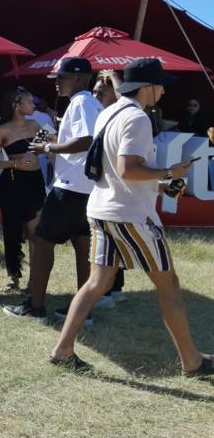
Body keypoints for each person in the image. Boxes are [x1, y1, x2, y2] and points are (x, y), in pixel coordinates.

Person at [49, 58, 212, 378]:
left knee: (97, 282)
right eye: (160, 84)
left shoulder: (109, 112)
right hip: (131, 215)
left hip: (100, 208)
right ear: (146, 87)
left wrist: (162, 183)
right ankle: (192, 362)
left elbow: (112, 168)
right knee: (169, 284)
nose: (164, 90)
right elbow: (127, 169)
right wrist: (169, 171)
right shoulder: (137, 119)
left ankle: (63, 350)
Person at [3, 58, 101, 321]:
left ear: (80, 79)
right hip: (86, 187)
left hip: (70, 187)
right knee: (83, 247)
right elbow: (83, 140)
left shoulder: (81, 101)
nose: (57, 83)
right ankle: (84, 311)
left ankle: (35, 307)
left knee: (41, 241)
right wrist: (56, 142)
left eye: (62, 77)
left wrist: (48, 148)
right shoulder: (89, 102)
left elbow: (88, 140)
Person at [0, 88, 46, 291]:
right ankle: (14, 278)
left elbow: (50, 142)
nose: (34, 105)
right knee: (12, 231)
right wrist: (14, 164)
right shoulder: (3, 130)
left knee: (35, 232)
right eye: (30, 101)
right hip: (12, 183)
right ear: (16, 105)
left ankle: (34, 281)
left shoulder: (36, 124)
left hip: (35, 181)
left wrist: (50, 148)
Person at [92, 70, 126, 303]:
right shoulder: (104, 115)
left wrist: (114, 77)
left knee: (109, 244)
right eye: (94, 92)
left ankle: (107, 291)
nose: (95, 96)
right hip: (107, 189)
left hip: (116, 192)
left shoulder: (123, 115)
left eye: (100, 92)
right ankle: (113, 289)